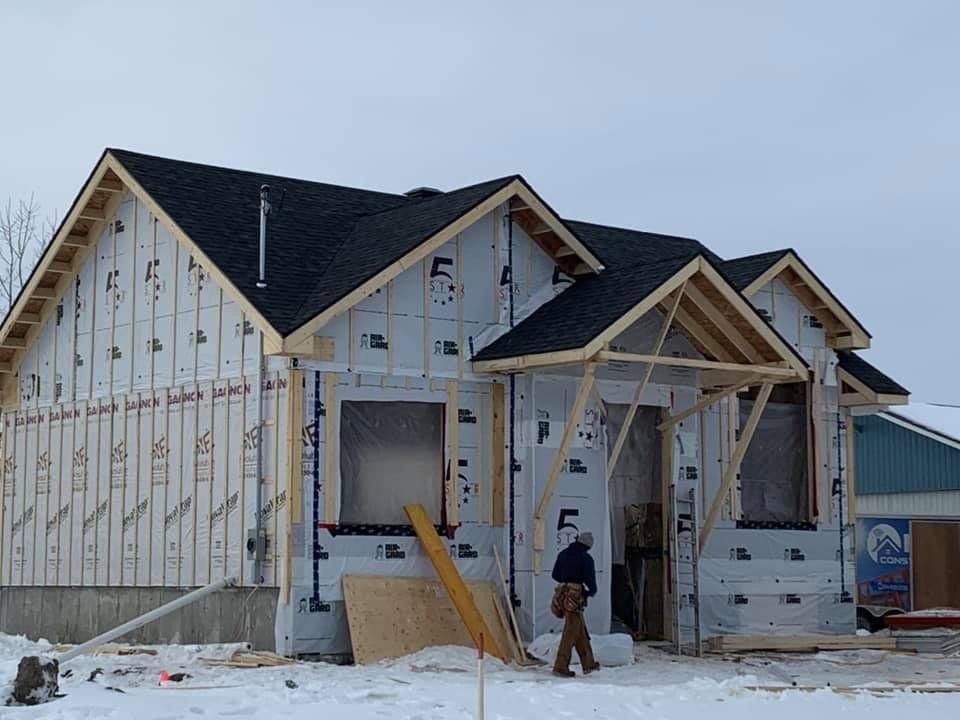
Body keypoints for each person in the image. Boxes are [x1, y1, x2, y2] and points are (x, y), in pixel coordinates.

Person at [550, 531, 599, 677]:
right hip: (575, 597)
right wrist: (589, 592)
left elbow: (555, 575)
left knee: (579, 631)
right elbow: (591, 582)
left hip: (562, 594)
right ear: (588, 545)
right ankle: (560, 666)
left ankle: (588, 663)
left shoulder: (563, 554)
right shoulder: (586, 558)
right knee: (570, 632)